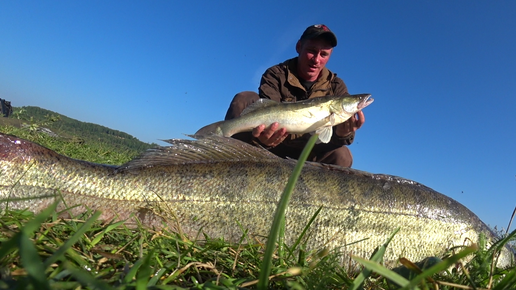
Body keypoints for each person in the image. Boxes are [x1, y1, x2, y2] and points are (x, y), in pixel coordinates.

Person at [224, 24, 365, 167]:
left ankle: (310, 189)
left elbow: (335, 138)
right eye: (311, 51)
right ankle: (228, 162)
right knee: (244, 99)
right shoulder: (276, 74)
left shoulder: (337, 86)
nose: (316, 60)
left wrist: (343, 135)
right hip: (273, 146)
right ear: (299, 47)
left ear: (330, 56)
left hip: (309, 153)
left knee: (342, 156)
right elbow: (268, 111)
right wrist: (262, 139)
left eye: (323, 54)